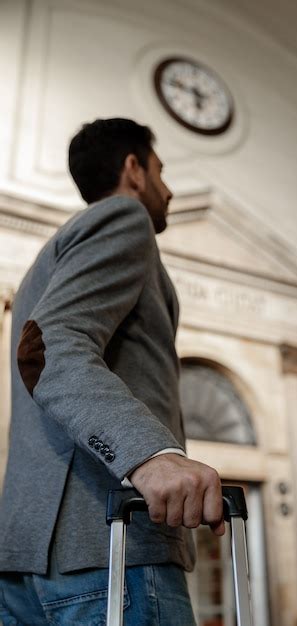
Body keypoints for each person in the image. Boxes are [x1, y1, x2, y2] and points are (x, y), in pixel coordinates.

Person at [0, 117, 224, 625]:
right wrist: (149, 455)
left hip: (26, 562)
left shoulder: (46, 259)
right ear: (134, 170)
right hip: (110, 551)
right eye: (160, 172)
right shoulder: (124, 217)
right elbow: (50, 345)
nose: (167, 190)